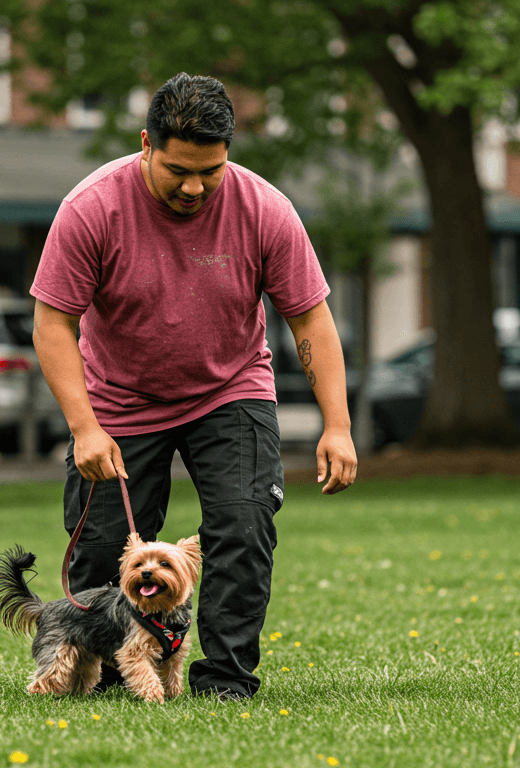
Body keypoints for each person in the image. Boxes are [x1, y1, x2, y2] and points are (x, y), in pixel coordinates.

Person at [31, 73, 357, 701]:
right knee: (101, 550)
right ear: (146, 143)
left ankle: (225, 681)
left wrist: (337, 425)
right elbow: (53, 323)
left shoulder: (264, 208)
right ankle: (99, 679)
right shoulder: (93, 207)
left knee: (243, 523)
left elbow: (309, 316)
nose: (194, 186)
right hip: (119, 399)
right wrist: (84, 428)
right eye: (178, 169)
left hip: (230, 390)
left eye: (210, 170)